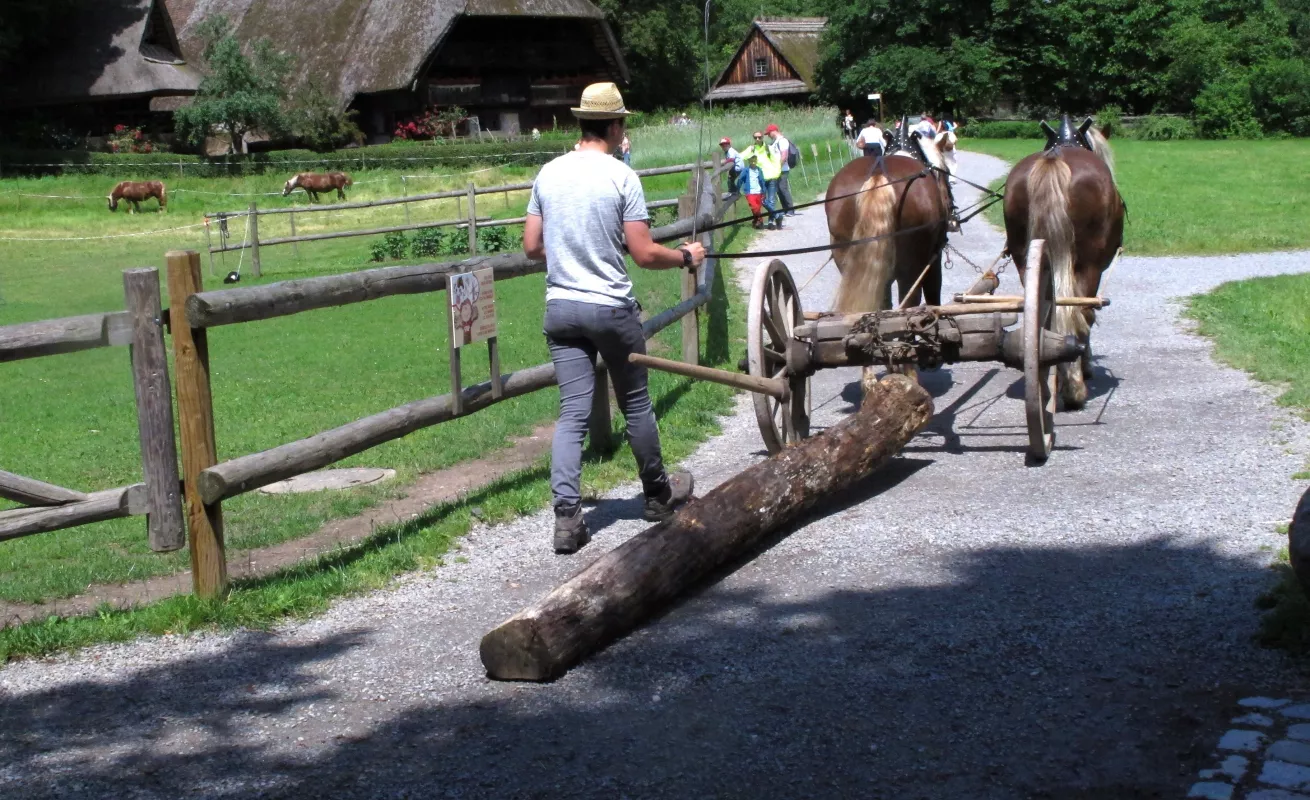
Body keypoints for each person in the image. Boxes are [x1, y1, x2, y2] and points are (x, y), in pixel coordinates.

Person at [523, 82, 703, 554]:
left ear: (582, 122)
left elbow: (532, 246)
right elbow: (643, 254)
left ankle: (567, 518)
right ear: (616, 125)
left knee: (572, 413)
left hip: (561, 309)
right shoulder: (622, 176)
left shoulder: (548, 173)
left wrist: (572, 252)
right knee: (636, 404)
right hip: (610, 307)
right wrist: (685, 256)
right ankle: (657, 496)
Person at [766, 123, 797, 217]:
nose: (768, 135)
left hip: (782, 169)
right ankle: (785, 209)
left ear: (773, 131)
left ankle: (790, 210)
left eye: (768, 133)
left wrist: (778, 167)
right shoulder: (775, 142)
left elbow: (784, 156)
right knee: (778, 189)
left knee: (783, 188)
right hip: (777, 169)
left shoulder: (782, 141)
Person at [736, 152, 767, 228]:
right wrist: (737, 188)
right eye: (751, 160)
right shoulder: (746, 170)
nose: (753, 162)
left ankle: (756, 222)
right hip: (750, 192)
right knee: (754, 207)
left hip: (759, 191)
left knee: (758, 208)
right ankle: (760, 220)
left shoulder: (759, 170)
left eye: (754, 160)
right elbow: (740, 179)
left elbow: (762, 181)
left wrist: (764, 191)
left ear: (756, 160)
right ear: (749, 161)